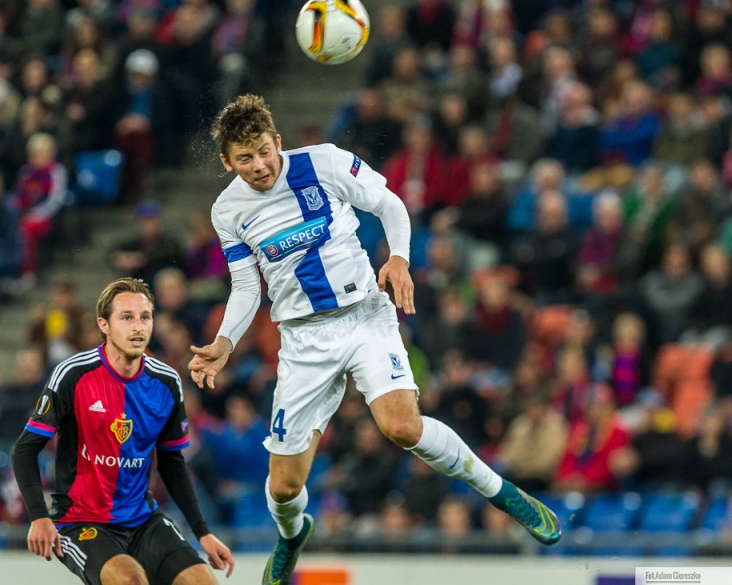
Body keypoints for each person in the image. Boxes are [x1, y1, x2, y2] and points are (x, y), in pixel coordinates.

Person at [189, 95, 561, 585]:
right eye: (245, 158)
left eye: (264, 151)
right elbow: (244, 285)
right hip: (302, 339)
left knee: (402, 427)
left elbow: (389, 204)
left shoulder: (323, 162)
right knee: (283, 489)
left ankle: (502, 493)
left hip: (364, 314)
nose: (259, 165)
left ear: (277, 141)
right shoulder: (228, 210)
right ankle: (292, 536)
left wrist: (400, 257)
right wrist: (225, 341)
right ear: (227, 162)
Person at [12, 278, 235, 585]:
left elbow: (172, 462)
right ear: (104, 324)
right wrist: (39, 516)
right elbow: (25, 449)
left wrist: (203, 532)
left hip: (143, 520)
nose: (138, 327)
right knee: (130, 580)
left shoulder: (167, 382)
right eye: (127, 317)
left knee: (202, 582)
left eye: (145, 317)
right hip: (81, 521)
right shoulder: (73, 374)